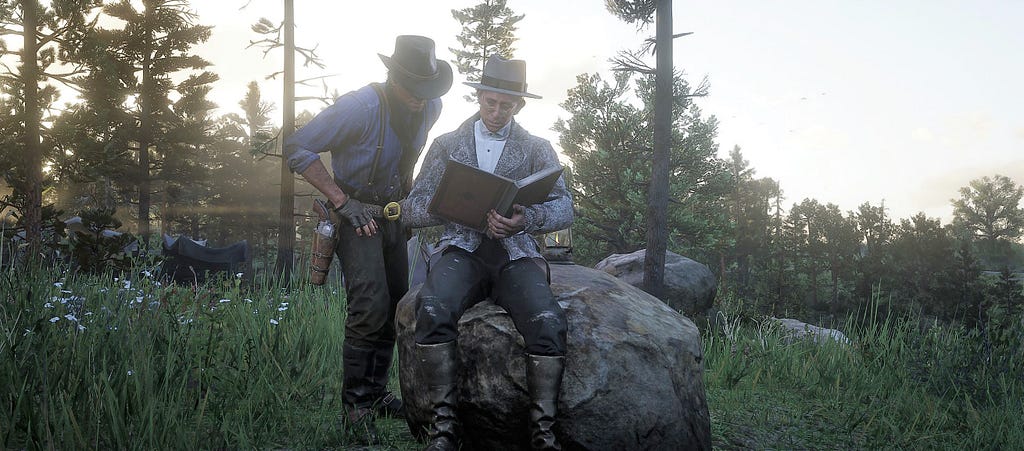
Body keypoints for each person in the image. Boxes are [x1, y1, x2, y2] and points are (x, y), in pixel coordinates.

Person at [400, 54, 573, 451]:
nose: (496, 112)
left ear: (519, 106)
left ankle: (543, 435)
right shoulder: (446, 146)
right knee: (433, 308)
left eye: (506, 105)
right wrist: (459, 208)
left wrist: (524, 219)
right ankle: (444, 428)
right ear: (478, 97)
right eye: (490, 102)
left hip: (514, 251)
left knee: (547, 318)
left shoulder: (537, 147)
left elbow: (566, 208)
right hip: (462, 248)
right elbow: (412, 207)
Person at [285, 35, 452, 443]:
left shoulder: (431, 106)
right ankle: (356, 407)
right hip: (354, 212)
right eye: (413, 87)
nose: (420, 98)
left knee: (397, 302)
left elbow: (408, 159)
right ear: (392, 76)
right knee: (369, 304)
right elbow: (297, 147)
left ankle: (377, 394)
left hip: (393, 214)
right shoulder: (359, 107)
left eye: (426, 88)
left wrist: (410, 206)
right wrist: (342, 201)